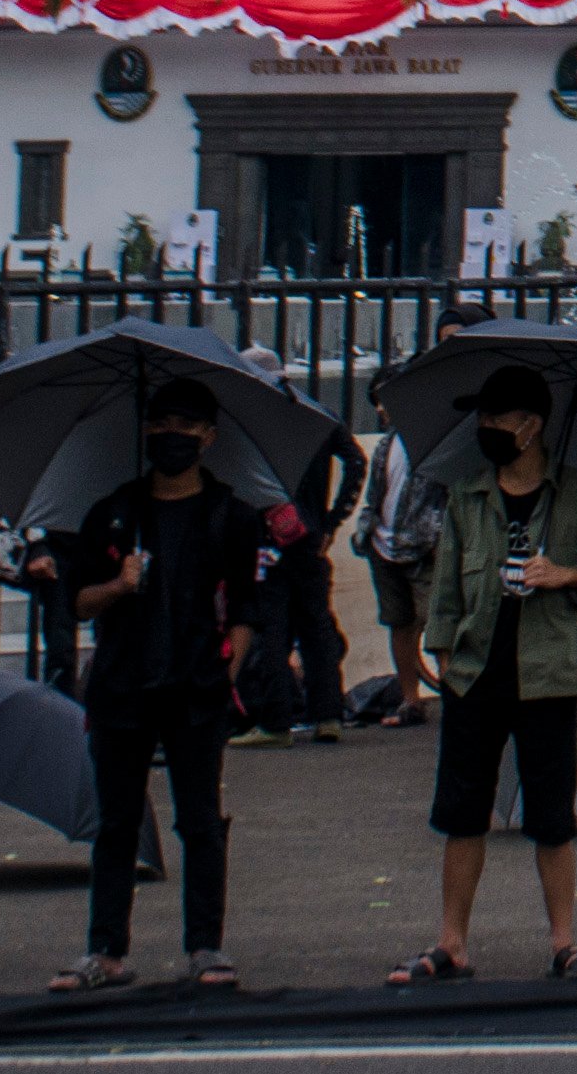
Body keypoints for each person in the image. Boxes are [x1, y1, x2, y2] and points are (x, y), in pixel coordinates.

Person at [391, 365, 577, 986]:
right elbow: (446, 588)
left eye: (499, 419)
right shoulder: (469, 497)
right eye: (483, 419)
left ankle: (565, 943)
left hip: (548, 673)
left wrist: (566, 575)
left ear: (531, 426)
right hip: (475, 674)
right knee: (463, 812)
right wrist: (440, 656)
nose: (487, 429)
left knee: (551, 815)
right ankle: (451, 942)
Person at [48, 378, 263, 992]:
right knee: (116, 824)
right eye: (162, 423)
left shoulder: (231, 517)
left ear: (208, 438)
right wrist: (118, 585)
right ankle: (106, 950)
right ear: (146, 431)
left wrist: (229, 670)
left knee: (200, 820)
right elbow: (79, 603)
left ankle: (205, 946)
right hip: (121, 690)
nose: (174, 436)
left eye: (187, 427)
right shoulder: (114, 513)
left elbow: (249, 607)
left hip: (197, 692)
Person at [353, 303, 484, 729]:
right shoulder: (390, 442)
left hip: (427, 545)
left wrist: (433, 535)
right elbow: (379, 488)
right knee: (400, 623)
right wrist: (367, 530)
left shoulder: (446, 430)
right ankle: (412, 699)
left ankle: (455, 696)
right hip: (386, 542)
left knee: (442, 624)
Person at [232, 345, 350, 747]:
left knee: (273, 629)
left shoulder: (255, 419)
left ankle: (276, 721)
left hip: (268, 537)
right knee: (316, 627)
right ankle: (328, 716)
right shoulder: (317, 413)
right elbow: (357, 462)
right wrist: (333, 519)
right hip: (311, 538)